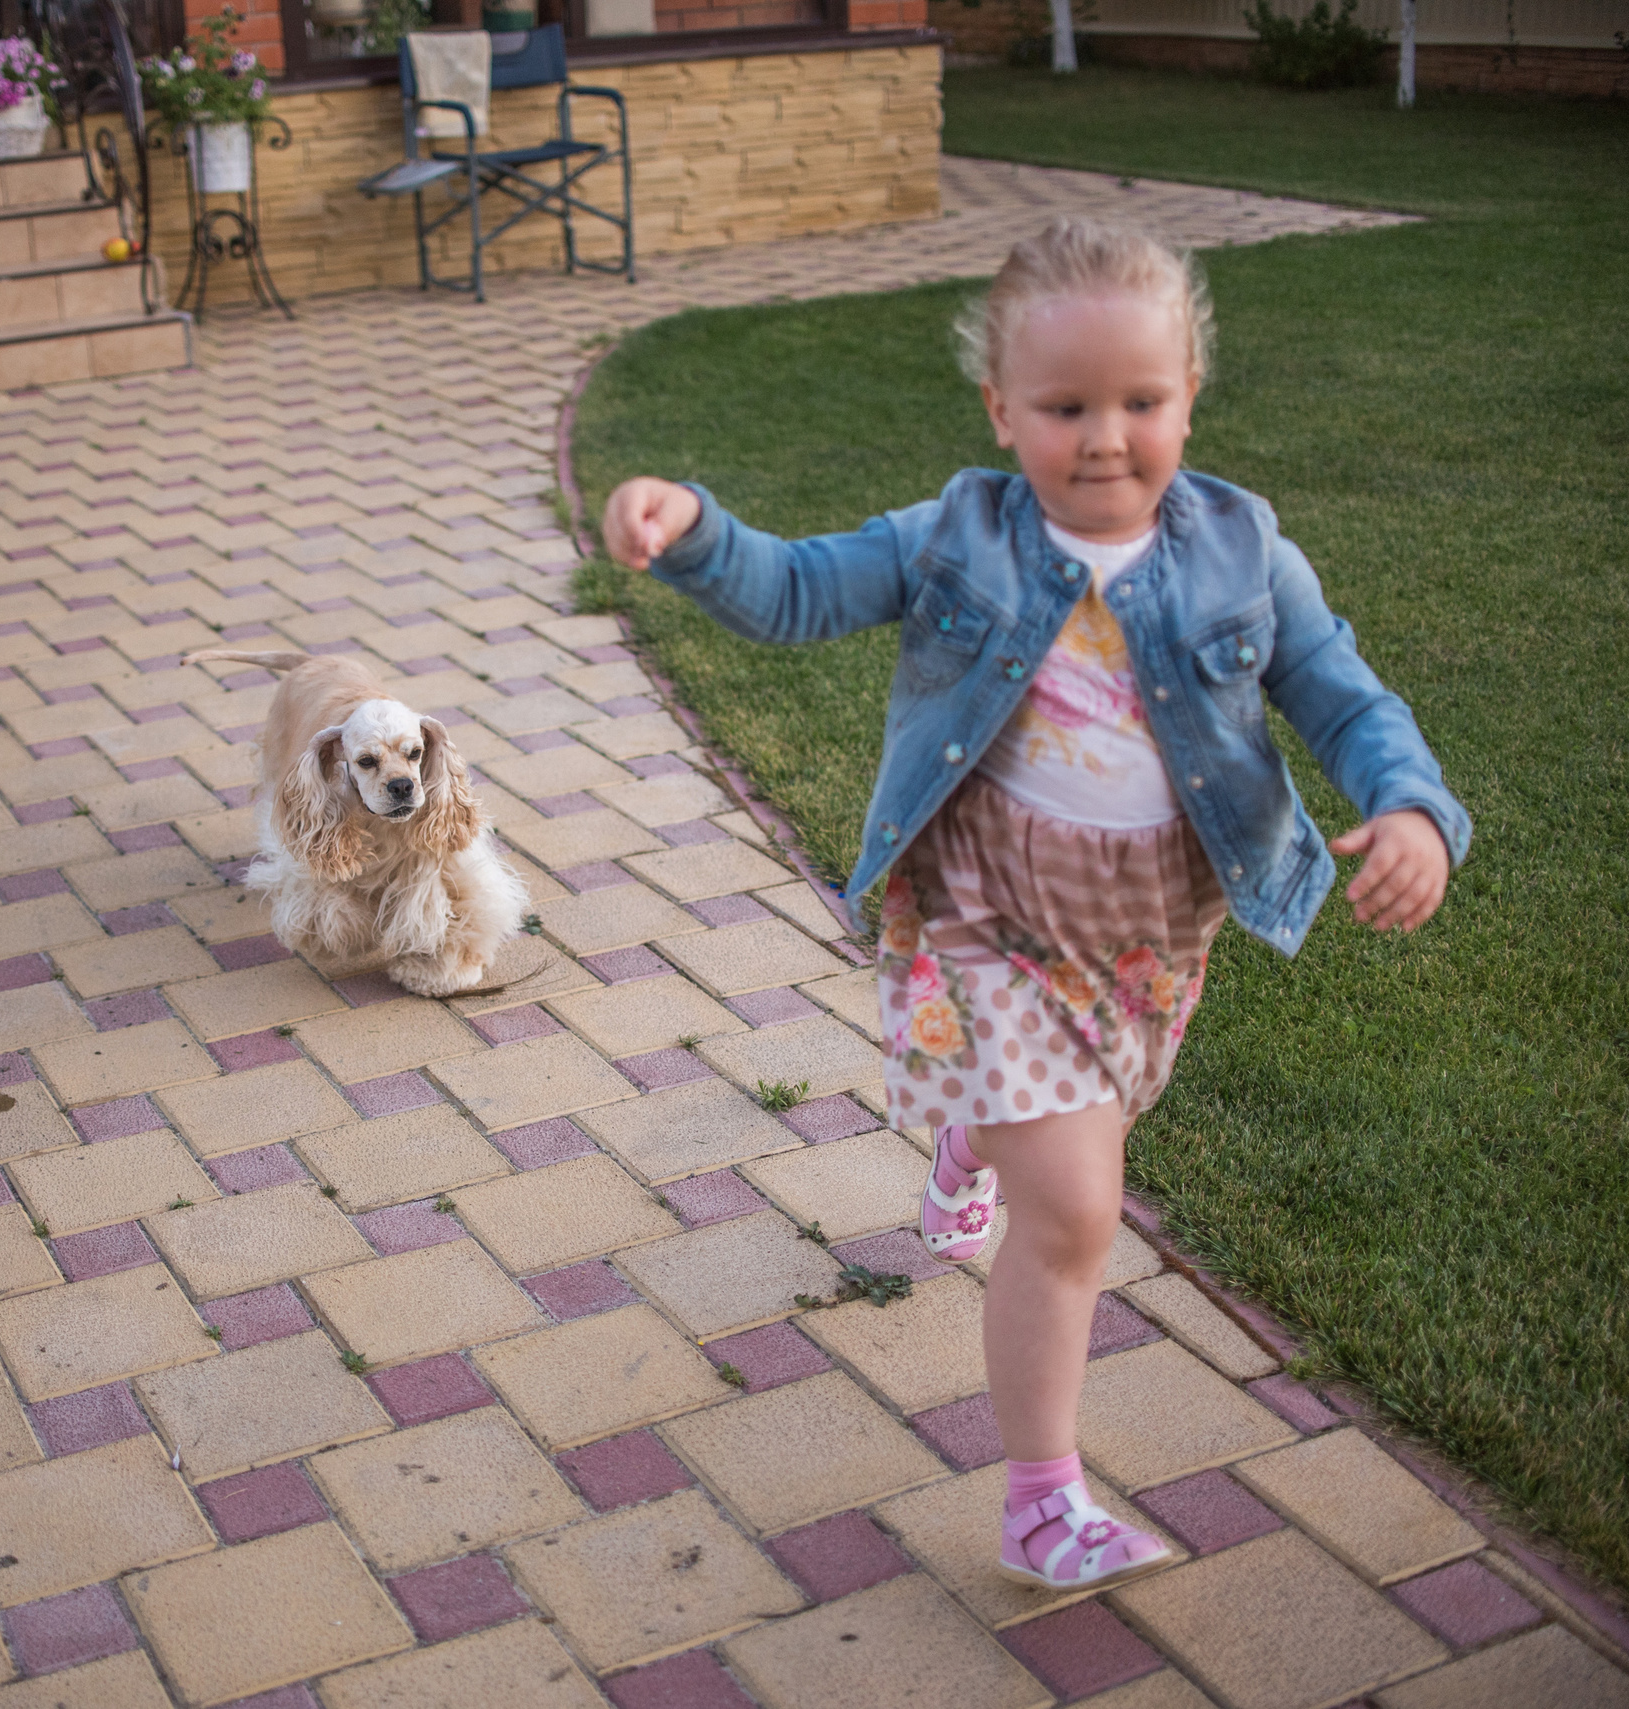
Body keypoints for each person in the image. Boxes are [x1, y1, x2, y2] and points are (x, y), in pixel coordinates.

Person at [600, 216, 1468, 1593]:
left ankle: (970, 1137)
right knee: (1074, 1210)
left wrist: (1413, 804)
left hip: (1149, 938)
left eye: (1144, 401)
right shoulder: (958, 537)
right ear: (1003, 409)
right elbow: (803, 591)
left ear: (1192, 391)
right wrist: (696, 528)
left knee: (1069, 1138)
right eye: (1066, 406)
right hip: (982, 916)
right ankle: (1040, 1497)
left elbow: (1345, 697)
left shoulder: (1248, 554)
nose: (1106, 437)